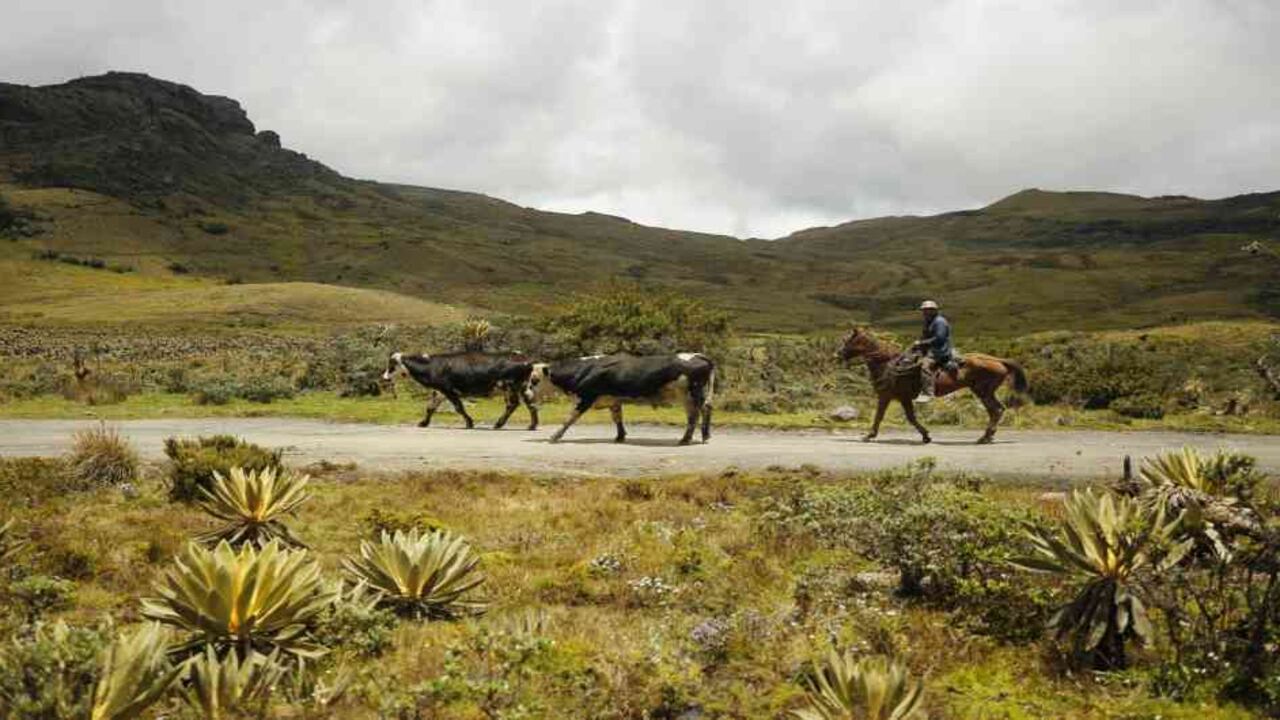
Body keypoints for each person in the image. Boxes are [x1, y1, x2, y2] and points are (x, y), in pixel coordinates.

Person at [912, 300, 953, 402]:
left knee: (925, 366)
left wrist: (921, 343)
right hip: (930, 349)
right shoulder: (928, 322)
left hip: (940, 351)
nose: (925, 312)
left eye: (928, 310)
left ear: (934, 311)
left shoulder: (940, 322)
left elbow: (939, 339)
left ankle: (928, 393)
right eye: (924, 310)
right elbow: (925, 336)